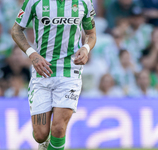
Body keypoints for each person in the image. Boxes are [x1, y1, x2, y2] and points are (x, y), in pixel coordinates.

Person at [11, 0, 96, 150]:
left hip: (70, 72)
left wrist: (86, 48)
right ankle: (44, 144)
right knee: (40, 135)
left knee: (58, 128)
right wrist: (32, 54)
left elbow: (91, 34)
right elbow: (16, 30)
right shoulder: (34, 2)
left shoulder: (84, 2)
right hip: (42, 72)